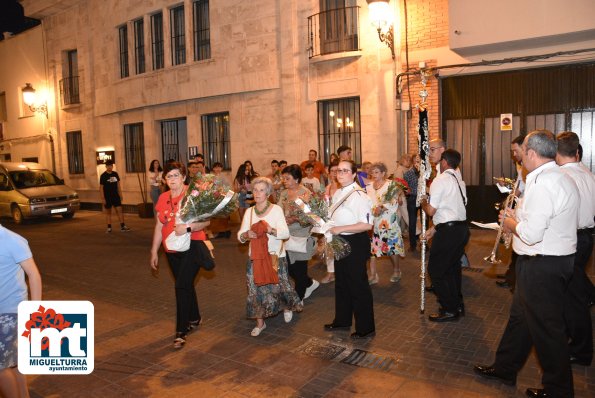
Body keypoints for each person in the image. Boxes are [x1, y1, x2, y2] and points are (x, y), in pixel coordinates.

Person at [474, 130, 579, 398]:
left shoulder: (545, 183)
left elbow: (532, 234)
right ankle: (505, 368)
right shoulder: (553, 177)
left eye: (521, 153)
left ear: (531, 153)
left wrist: (508, 222)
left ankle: (558, 391)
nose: (519, 158)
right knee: (520, 320)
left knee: (547, 331)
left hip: (542, 265)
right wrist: (516, 214)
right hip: (544, 262)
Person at [150, 162, 211, 349]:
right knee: (185, 285)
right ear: (164, 179)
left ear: (184, 177)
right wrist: (154, 250)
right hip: (171, 250)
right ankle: (195, 317)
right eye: (169, 176)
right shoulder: (162, 198)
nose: (172, 179)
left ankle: (181, 331)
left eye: (176, 175)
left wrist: (188, 227)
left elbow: (206, 221)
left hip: (192, 246)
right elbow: (160, 225)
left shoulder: (193, 195)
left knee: (180, 286)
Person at [237, 177, 302, 337]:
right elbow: (240, 235)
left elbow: (285, 233)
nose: (257, 193)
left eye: (261, 190)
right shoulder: (249, 212)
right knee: (255, 289)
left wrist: (270, 230)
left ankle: (286, 308)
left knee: (280, 286)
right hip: (256, 258)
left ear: (268, 193)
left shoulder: (276, 210)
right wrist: (246, 234)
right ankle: (260, 323)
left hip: (275, 257)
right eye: (255, 190)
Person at [324, 160, 375, 339]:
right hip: (340, 241)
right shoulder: (338, 192)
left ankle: (365, 327)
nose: (341, 174)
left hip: (355, 242)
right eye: (339, 171)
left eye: (345, 171)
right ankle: (342, 320)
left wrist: (339, 229)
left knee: (357, 285)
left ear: (354, 174)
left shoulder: (359, 195)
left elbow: (367, 225)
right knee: (342, 284)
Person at [556, 131, 594, 367]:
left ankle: (581, 350)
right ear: (577, 151)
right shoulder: (588, 173)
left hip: (570, 239)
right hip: (587, 237)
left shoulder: (560, 177)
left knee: (573, 300)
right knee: (573, 293)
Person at [420, 149, 469, 322]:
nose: (436, 163)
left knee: (436, 270)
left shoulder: (440, 180)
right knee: (452, 269)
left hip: (449, 233)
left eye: (438, 159)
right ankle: (457, 304)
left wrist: (423, 201)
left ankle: (449, 309)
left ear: (445, 162)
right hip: (461, 229)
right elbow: (452, 210)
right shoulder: (459, 180)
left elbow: (432, 211)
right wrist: (433, 230)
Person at [0, 224, 42, 398]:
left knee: (1, 367)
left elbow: (34, 275)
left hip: (10, 312)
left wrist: (36, 313)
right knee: (12, 363)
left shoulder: (12, 240)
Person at [278, 165, 319, 304]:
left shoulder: (306, 193)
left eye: (287, 178)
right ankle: (310, 283)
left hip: (302, 236)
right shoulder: (284, 194)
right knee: (290, 269)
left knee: (300, 270)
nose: (284, 181)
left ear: (296, 179)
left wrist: (295, 218)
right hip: (286, 236)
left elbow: (313, 217)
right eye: (283, 178)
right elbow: (278, 210)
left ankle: (298, 299)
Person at [366, 162, 405, 284]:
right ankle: (373, 275)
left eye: (377, 172)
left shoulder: (391, 185)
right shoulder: (369, 187)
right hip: (374, 221)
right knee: (372, 249)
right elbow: (367, 202)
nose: (374, 174)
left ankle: (397, 270)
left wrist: (382, 208)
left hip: (388, 221)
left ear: (383, 173)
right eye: (372, 172)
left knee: (391, 249)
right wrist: (372, 211)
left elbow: (394, 201)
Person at [496, 134, 526, 290]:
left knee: (519, 250)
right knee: (516, 250)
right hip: (520, 210)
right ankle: (511, 276)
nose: (513, 155)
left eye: (515, 151)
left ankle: (514, 279)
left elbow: (520, 190)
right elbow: (518, 188)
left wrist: (511, 200)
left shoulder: (527, 168)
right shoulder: (522, 166)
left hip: (524, 215)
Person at [320, 160, 340, 284]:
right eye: (332, 171)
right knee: (329, 248)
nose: (334, 173)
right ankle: (330, 273)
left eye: (337, 171)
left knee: (340, 247)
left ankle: (340, 272)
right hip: (329, 221)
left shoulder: (342, 187)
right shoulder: (327, 187)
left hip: (341, 223)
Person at [99, 160, 131, 233]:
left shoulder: (115, 174)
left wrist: (120, 194)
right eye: (108, 166)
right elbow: (101, 188)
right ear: (106, 166)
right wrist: (103, 198)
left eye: (111, 166)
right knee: (108, 212)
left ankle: (123, 226)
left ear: (112, 166)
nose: (110, 167)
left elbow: (118, 185)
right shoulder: (103, 176)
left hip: (115, 196)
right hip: (107, 197)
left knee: (120, 210)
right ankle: (109, 227)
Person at [404, 154, 421, 251]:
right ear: (412, 162)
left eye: (419, 161)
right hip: (413, 198)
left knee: (425, 222)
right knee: (412, 222)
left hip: (424, 198)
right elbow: (405, 187)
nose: (417, 163)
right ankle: (412, 244)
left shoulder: (426, 172)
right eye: (416, 161)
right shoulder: (408, 173)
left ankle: (424, 243)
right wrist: (406, 191)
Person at [211, 162, 232, 239]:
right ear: (213, 169)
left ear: (222, 168)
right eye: (216, 167)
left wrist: (226, 197)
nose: (217, 169)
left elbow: (229, 188)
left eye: (219, 167)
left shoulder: (224, 177)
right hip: (215, 199)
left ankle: (225, 231)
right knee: (217, 217)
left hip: (223, 198)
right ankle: (221, 232)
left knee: (223, 216)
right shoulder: (212, 177)